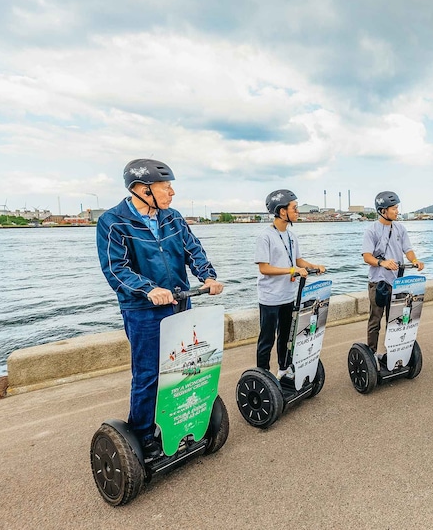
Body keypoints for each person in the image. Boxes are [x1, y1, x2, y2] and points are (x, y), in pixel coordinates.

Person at [96, 158, 224, 458]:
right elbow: (115, 269)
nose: (172, 193)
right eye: (166, 187)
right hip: (143, 312)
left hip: (180, 302)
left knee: (185, 369)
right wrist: (148, 289)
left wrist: (207, 275)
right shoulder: (113, 222)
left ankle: (181, 421)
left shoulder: (173, 218)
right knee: (149, 374)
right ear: (143, 189)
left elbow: (193, 249)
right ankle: (142, 434)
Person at [255, 189, 326, 378]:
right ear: (281, 211)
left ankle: (284, 369)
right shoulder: (266, 236)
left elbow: (297, 260)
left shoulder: (292, 236)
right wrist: (291, 270)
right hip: (270, 297)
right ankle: (263, 376)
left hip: (289, 295)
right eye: (294, 208)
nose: (297, 211)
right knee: (267, 339)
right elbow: (264, 268)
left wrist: (313, 266)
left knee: (286, 337)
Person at [361, 191, 425, 358]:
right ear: (383, 210)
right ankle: (372, 354)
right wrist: (382, 263)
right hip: (378, 282)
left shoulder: (400, 228)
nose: (397, 211)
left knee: (395, 319)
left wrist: (415, 260)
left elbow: (408, 249)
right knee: (375, 320)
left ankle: (393, 352)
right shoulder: (371, 230)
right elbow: (366, 256)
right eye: (394, 208)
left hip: (397, 283)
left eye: (397, 208)